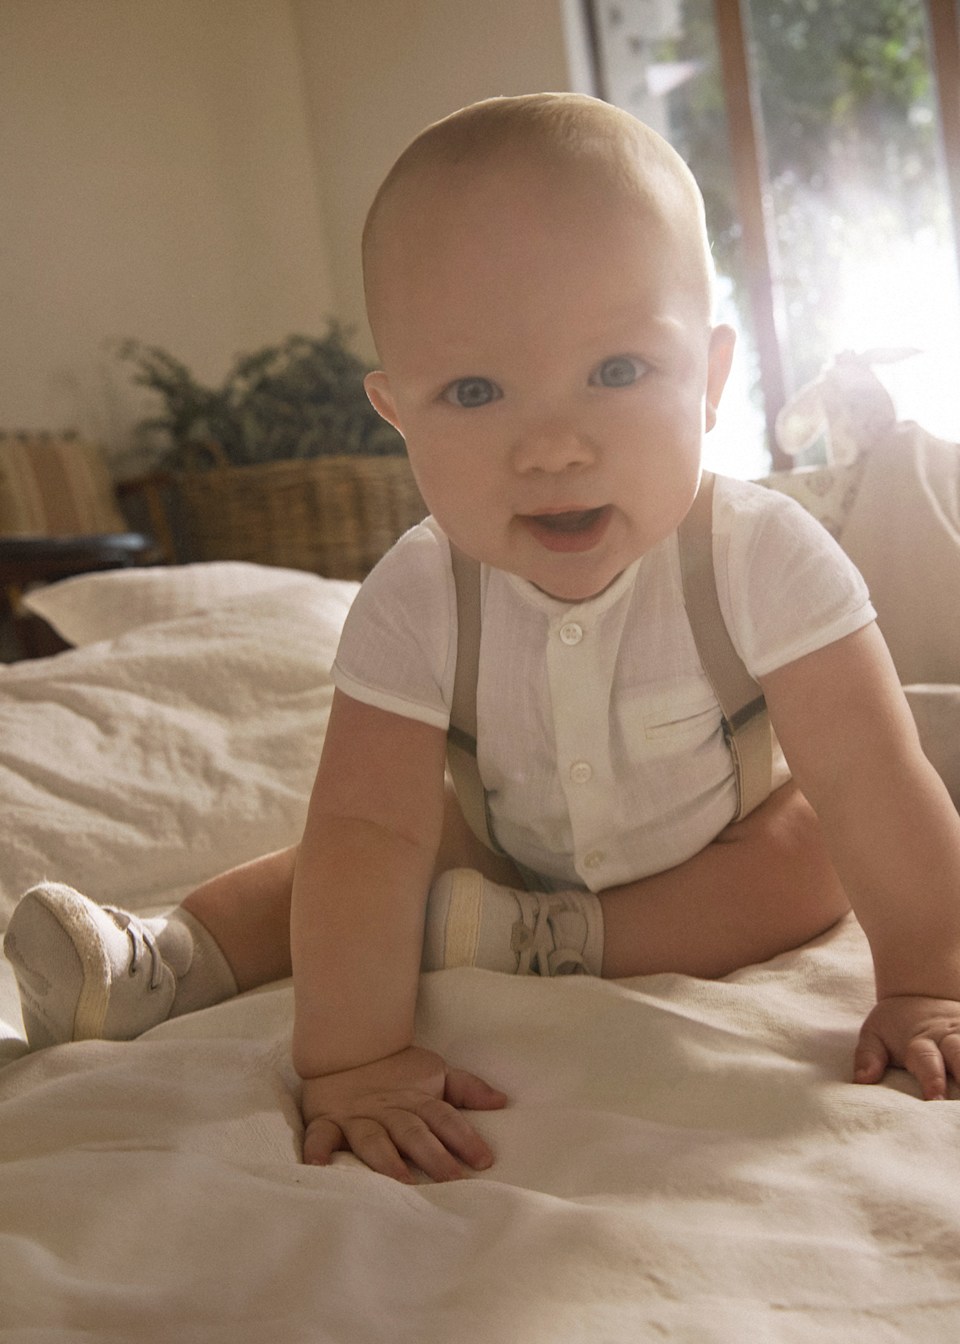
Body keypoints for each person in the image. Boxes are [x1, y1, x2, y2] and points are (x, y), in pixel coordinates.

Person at [7, 94, 960, 1185]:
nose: (551, 447)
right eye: (473, 391)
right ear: (397, 413)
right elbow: (366, 829)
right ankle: (165, 960)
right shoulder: (418, 596)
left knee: (816, 849)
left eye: (616, 371)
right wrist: (354, 1060)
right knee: (342, 868)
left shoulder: (764, 556)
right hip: (504, 835)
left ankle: (510, 941)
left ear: (708, 379)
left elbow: (873, 774)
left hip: (719, 840)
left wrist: (929, 982)